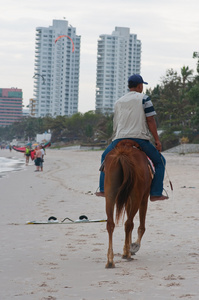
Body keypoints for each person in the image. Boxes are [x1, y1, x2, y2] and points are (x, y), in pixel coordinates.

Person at [95, 74, 168, 202]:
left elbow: (116, 123)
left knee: (104, 158)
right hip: (139, 138)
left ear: (129, 86)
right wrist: (157, 140)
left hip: (119, 139)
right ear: (140, 86)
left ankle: (103, 189)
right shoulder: (144, 99)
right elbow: (150, 120)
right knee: (160, 161)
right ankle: (156, 192)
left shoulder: (119, 101)